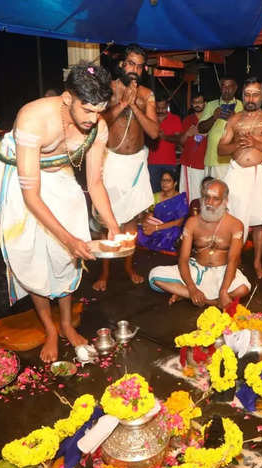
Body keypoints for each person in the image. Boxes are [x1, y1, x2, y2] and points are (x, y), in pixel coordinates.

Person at [0, 63, 120, 363]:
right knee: (33, 255)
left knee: (66, 256)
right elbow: (31, 195)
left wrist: (112, 225)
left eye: (99, 111)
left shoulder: (97, 126)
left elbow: (95, 182)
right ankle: (49, 329)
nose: (93, 119)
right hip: (21, 177)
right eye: (87, 110)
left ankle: (65, 324)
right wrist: (67, 237)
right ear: (66, 98)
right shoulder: (33, 118)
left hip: (59, 176)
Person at [93, 44, 159, 291]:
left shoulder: (147, 94)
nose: (135, 70)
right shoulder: (108, 89)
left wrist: (134, 105)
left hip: (135, 164)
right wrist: (122, 103)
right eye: (131, 64)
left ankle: (129, 267)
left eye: (140, 66)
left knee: (131, 219)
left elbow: (154, 131)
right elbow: (98, 121)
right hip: (112, 160)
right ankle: (105, 271)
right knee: (106, 218)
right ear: (122, 64)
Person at [217, 77, 262, 279]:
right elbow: (221, 148)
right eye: (247, 94)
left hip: (259, 175)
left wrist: (257, 144)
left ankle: (256, 263)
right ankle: (232, 260)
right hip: (237, 173)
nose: (251, 98)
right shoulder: (234, 120)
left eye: (255, 94)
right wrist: (238, 145)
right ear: (243, 95)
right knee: (232, 219)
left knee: (258, 223)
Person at [148, 179, 250, 307]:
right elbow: (183, 258)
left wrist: (224, 290)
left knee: (243, 288)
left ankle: (187, 295)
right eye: (207, 197)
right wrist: (191, 288)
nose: (209, 203)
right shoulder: (192, 222)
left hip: (222, 272)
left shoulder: (235, 225)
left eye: (215, 199)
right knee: (155, 276)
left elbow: (233, 260)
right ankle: (210, 301)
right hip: (195, 269)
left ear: (225, 201)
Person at [197, 77, 243, 180]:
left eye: (229, 86)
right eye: (223, 86)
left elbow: (247, 133)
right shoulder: (211, 105)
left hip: (234, 160)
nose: (226, 89)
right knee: (212, 193)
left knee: (232, 194)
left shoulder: (242, 106)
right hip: (213, 159)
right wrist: (213, 117)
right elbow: (201, 129)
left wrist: (233, 119)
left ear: (235, 88)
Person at [137, 170, 188, 254]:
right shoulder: (156, 196)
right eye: (163, 180)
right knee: (141, 228)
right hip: (156, 223)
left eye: (168, 180)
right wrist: (146, 223)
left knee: (174, 233)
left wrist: (156, 228)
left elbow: (179, 222)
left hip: (171, 226)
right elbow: (150, 214)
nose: (164, 183)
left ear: (175, 183)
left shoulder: (180, 199)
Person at [147, 96, 181, 192]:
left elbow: (179, 139)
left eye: (163, 108)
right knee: (153, 192)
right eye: (158, 108)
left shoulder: (175, 119)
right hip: (152, 163)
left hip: (169, 163)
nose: (161, 110)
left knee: (169, 192)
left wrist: (165, 137)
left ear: (167, 105)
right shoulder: (149, 119)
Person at [179, 93, 208, 204]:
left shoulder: (210, 119)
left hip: (207, 164)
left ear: (205, 103)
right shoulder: (187, 120)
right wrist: (187, 133)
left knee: (205, 195)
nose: (197, 105)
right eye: (195, 102)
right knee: (190, 196)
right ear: (191, 104)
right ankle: (190, 219)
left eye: (200, 102)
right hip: (190, 164)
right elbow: (181, 142)